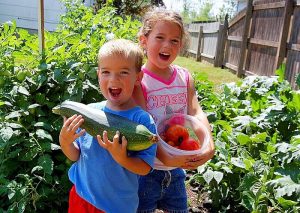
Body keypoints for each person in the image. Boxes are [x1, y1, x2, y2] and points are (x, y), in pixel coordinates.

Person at [59, 39, 157, 213]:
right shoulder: (88, 112)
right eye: (106, 72)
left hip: (116, 207)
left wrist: (122, 158)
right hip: (81, 197)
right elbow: (76, 156)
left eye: (123, 72)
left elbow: (145, 168)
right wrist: (66, 142)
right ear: (98, 75)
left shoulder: (142, 121)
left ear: (138, 77)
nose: (114, 79)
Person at [133, 8, 215, 213]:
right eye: (159, 37)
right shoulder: (138, 81)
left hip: (176, 172)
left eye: (174, 40)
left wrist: (209, 144)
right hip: (145, 171)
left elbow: (196, 112)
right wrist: (166, 157)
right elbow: (144, 129)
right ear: (144, 40)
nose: (167, 45)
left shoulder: (184, 77)